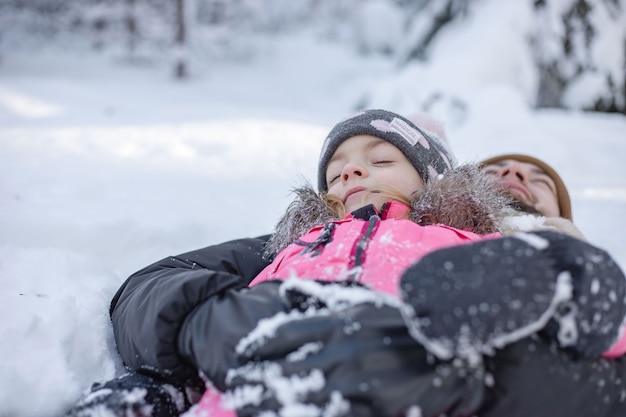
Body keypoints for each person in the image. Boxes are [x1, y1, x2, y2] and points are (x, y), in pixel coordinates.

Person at [64, 112, 626, 417]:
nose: (351, 174)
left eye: (381, 159)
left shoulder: (467, 244)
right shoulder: (295, 244)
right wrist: (211, 322)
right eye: (335, 173)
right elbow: (149, 289)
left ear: (434, 180)